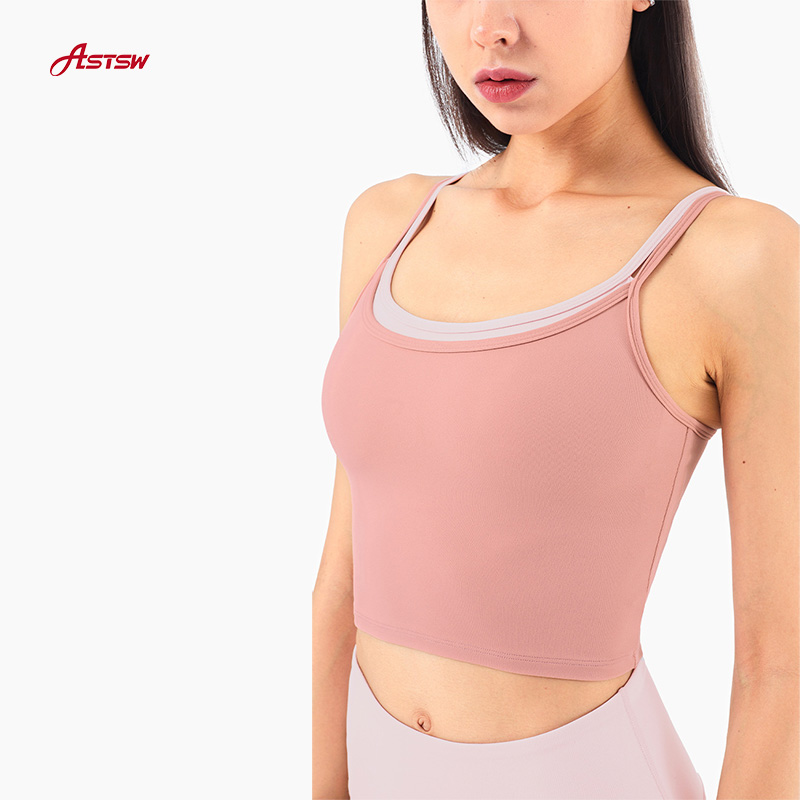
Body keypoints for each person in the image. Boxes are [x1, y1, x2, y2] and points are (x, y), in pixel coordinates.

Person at [313, 1, 799, 798]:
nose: (490, 27)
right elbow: (341, 582)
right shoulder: (389, 224)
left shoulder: (735, 257)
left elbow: (780, 665)